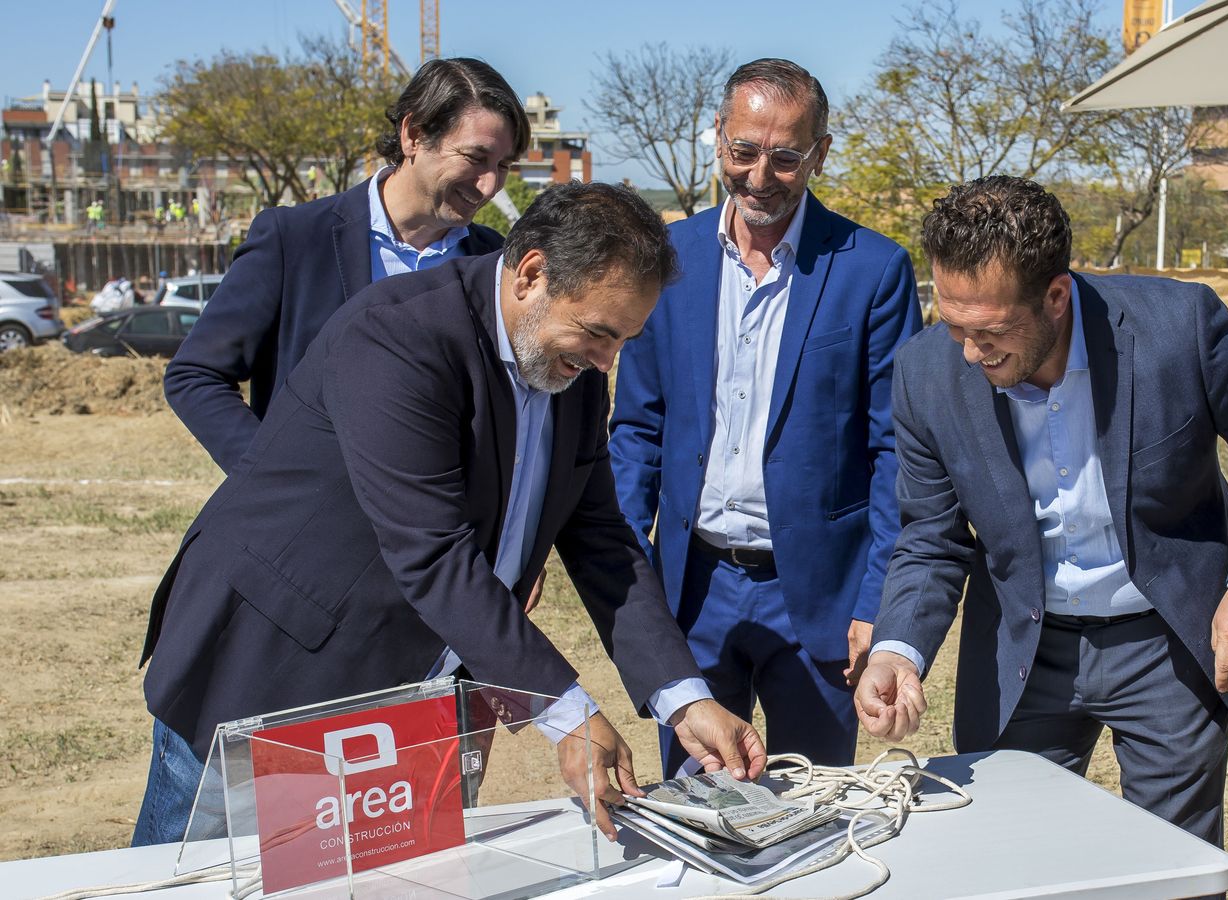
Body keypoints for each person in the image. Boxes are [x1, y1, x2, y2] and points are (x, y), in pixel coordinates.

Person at [134, 182, 765, 847]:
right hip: (273, 671)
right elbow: (433, 553)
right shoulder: (398, 336)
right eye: (598, 334)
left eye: (623, 341)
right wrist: (568, 714)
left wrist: (683, 698)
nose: (606, 362)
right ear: (531, 275)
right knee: (189, 878)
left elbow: (602, 538)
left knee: (390, 879)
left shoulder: (569, 368)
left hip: (418, 691)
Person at [855, 175, 1228, 850]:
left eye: (991, 331)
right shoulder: (925, 374)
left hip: (1165, 644)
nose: (970, 352)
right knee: (1013, 860)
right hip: (1022, 649)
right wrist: (898, 649)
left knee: (1171, 867)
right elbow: (931, 536)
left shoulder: (1180, 328)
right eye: (953, 325)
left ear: (1056, 296)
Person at [609, 58, 921, 773]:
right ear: (719, 136)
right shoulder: (668, 259)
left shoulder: (873, 270)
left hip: (819, 595)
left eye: (785, 157)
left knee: (816, 809)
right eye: (743, 150)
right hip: (692, 590)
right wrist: (630, 577)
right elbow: (637, 432)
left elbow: (894, 453)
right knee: (697, 802)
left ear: (820, 153)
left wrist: (877, 600)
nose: (759, 176)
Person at [165, 57, 528, 475]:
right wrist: (271, 480)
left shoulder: (497, 262)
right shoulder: (294, 239)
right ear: (413, 135)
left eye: (503, 166)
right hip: (310, 511)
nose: (489, 184)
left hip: (441, 513)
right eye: (476, 157)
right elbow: (195, 375)